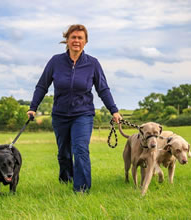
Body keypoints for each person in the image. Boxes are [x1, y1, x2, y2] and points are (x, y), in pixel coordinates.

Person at [27, 24, 122, 193]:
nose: (76, 41)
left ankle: (82, 189)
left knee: (80, 149)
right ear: (67, 40)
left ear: (85, 42)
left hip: (83, 114)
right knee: (63, 152)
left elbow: (103, 89)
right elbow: (42, 86)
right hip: (60, 114)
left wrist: (114, 110)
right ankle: (66, 179)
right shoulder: (56, 61)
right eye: (73, 37)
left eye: (80, 38)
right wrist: (33, 107)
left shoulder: (93, 64)